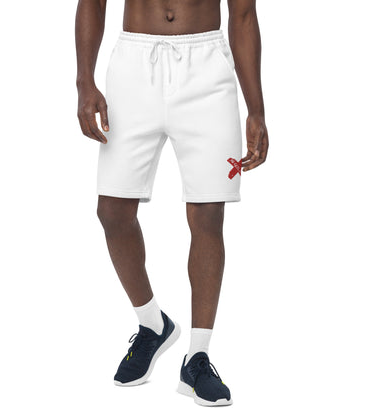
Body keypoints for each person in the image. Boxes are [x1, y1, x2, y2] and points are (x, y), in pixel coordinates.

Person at [75, 0, 269, 407]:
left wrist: (256, 110)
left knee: (208, 213)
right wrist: (84, 81)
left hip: (207, 70)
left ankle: (197, 357)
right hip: (133, 66)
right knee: (112, 211)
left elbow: (244, 14)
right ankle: (153, 324)